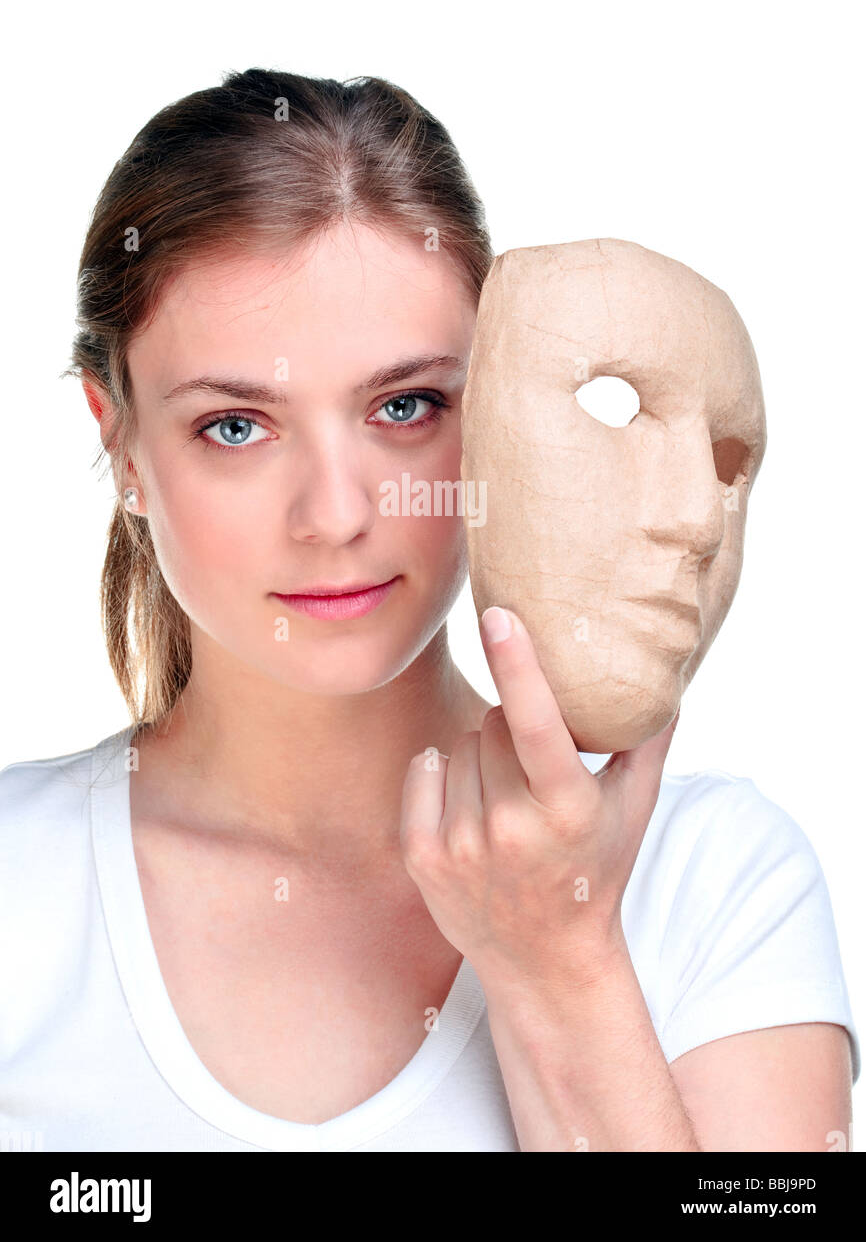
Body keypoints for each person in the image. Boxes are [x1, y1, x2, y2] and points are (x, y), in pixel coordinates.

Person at [0, 69, 858, 1153]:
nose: (338, 514)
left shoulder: (716, 880)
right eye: (234, 425)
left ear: (496, 403)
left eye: (405, 406)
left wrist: (558, 961)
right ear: (118, 439)